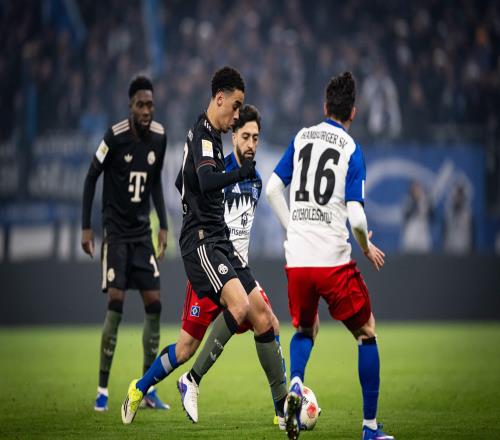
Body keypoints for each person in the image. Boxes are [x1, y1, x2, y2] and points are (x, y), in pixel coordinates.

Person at [121, 67, 287, 425]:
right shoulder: (203, 135)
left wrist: (193, 194)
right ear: (220, 98)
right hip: (202, 242)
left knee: (265, 319)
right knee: (227, 318)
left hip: (222, 245)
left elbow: (185, 181)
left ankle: (282, 411)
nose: (237, 115)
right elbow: (208, 179)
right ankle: (187, 381)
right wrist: (237, 174)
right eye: (236, 107)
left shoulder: (211, 137)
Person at [266, 71, 394, 440]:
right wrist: (365, 246)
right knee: (366, 333)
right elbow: (357, 217)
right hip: (332, 262)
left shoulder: (302, 137)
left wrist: (293, 228)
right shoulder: (351, 149)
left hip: (298, 260)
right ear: (353, 112)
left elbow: (273, 189)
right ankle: (370, 429)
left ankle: (295, 383)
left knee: (305, 329)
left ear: (325, 107)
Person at [81, 76, 169, 412]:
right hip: (116, 235)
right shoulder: (114, 136)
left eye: (150, 105)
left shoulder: (159, 137)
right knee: (116, 304)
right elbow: (91, 177)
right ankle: (102, 390)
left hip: (142, 234)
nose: (146, 111)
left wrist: (163, 225)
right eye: (140, 105)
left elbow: (155, 182)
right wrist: (86, 228)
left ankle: (147, 389)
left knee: (155, 305)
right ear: (130, 106)